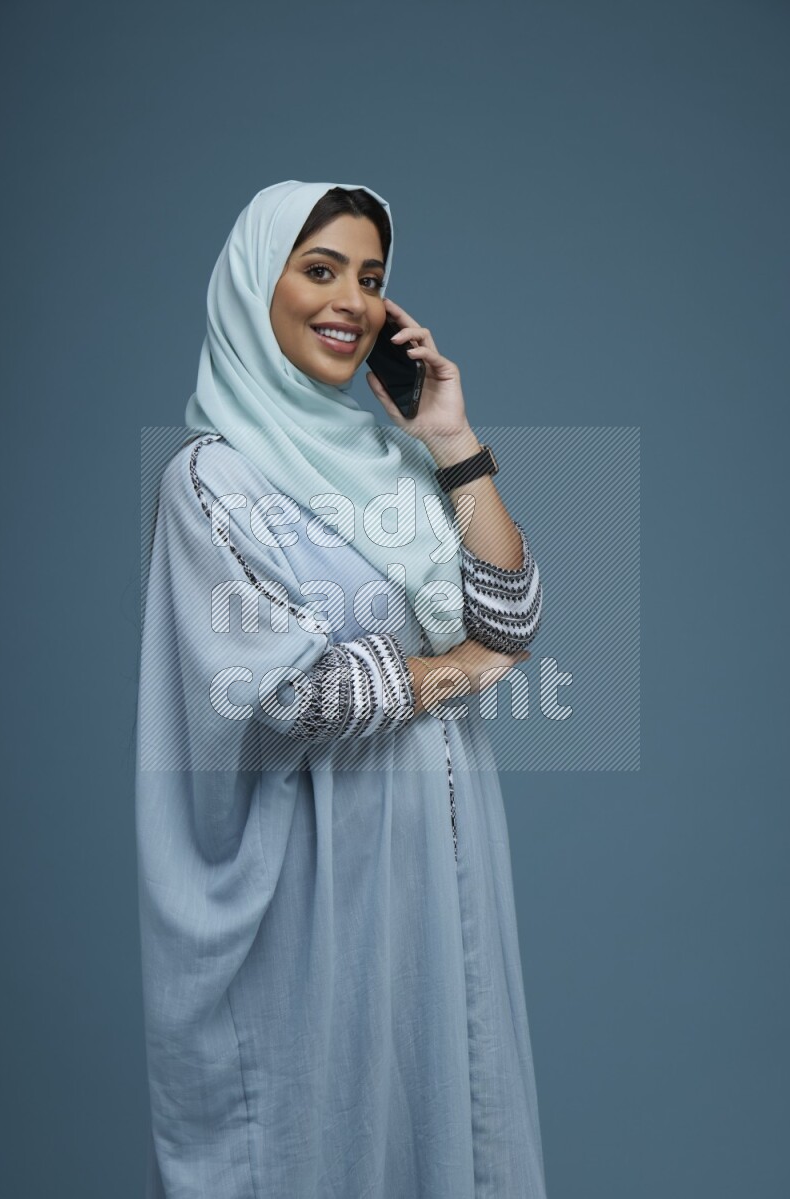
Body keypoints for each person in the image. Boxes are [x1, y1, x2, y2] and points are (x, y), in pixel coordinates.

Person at [135, 179, 547, 1198]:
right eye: (319, 269)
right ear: (251, 287)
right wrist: (456, 671)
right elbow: (294, 694)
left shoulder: (390, 463)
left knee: (454, 1123)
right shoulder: (211, 482)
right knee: (324, 1134)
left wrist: (449, 439)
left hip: (439, 859)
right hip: (319, 874)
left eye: (369, 278)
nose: (351, 301)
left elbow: (510, 616)